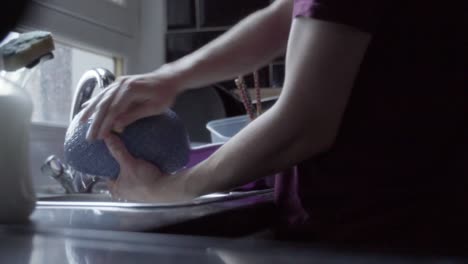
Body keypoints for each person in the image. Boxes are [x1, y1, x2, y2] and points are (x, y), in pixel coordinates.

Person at [80, 0, 468, 252]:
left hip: (378, 234)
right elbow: (288, 15)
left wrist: (172, 190)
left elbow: (304, 124)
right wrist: (172, 77)